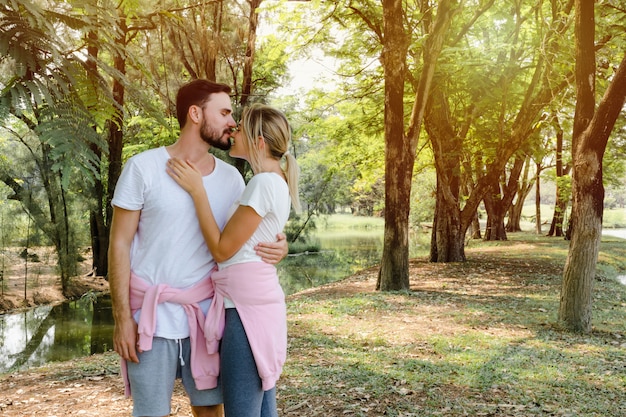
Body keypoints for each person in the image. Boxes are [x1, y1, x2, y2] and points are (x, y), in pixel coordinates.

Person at [108, 80, 288, 417]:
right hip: (150, 317)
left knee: (210, 412)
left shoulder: (233, 180)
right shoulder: (143, 168)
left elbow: (248, 232)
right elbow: (119, 244)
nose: (232, 122)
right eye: (224, 112)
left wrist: (281, 244)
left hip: (209, 316)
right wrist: (121, 318)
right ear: (195, 113)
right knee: (150, 412)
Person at [166, 103, 300, 417]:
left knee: (243, 410)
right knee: (262, 409)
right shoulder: (272, 181)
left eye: (240, 128)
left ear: (259, 142)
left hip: (246, 308)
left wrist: (197, 191)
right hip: (252, 302)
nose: (233, 131)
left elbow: (222, 250)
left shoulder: (264, 182)